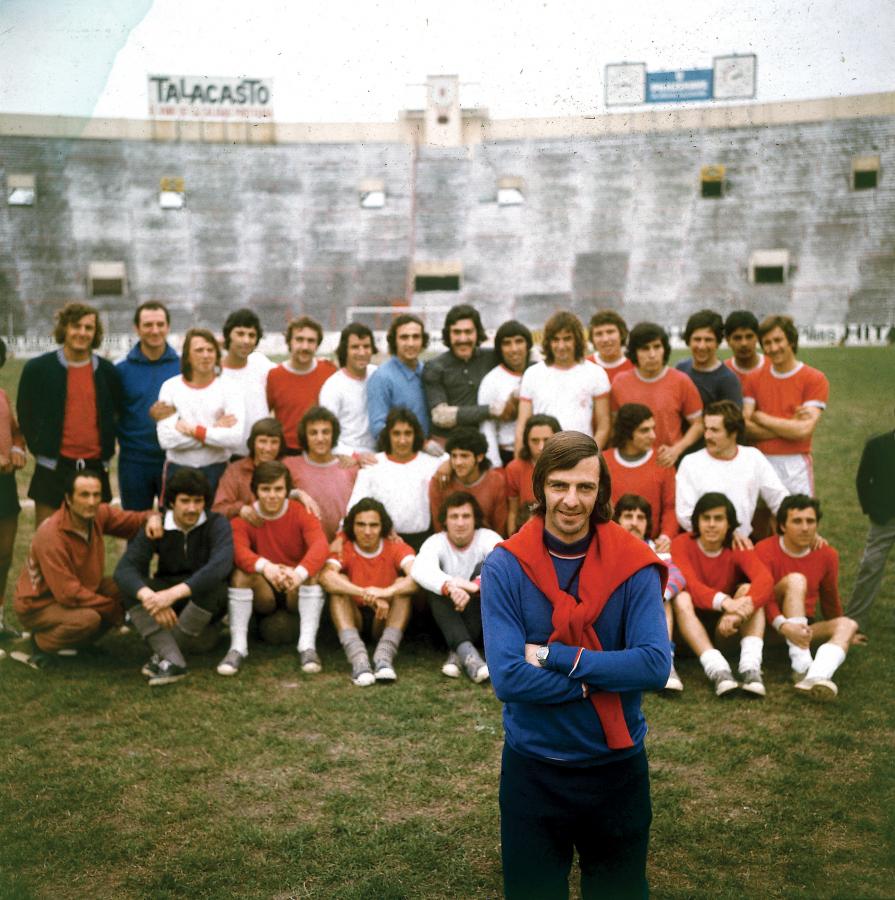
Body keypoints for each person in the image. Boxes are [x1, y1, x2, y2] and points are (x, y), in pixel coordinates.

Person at [481, 431, 670, 899]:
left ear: (600, 491)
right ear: (540, 487)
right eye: (560, 485)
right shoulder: (506, 565)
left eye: (585, 487)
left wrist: (553, 656)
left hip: (616, 770)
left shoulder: (634, 563)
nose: (571, 500)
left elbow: (653, 665)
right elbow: (507, 678)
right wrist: (598, 681)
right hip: (534, 767)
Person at [12, 471, 160, 667]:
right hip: (40, 604)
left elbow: (134, 520)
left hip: (80, 589)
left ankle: (80, 643)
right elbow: (68, 594)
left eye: (96, 495)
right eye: (84, 495)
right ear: (68, 499)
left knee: (125, 587)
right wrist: (112, 609)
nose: (91, 502)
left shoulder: (99, 514)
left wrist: (153, 517)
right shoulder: (51, 535)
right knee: (88, 619)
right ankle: (41, 643)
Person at [114, 467, 233, 686]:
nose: (192, 508)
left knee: (217, 585)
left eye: (198, 501)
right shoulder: (157, 525)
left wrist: (171, 595)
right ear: (171, 502)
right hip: (166, 594)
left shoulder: (217, 523)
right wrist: (150, 597)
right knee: (129, 587)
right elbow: (124, 569)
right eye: (185, 501)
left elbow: (220, 566)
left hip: (200, 598)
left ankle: (165, 654)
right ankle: (174, 660)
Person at [219, 460, 329, 676]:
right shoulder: (247, 516)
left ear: (287, 490)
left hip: (293, 586)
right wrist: (266, 567)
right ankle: (237, 648)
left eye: (278, 489)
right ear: (255, 490)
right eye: (265, 489)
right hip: (264, 589)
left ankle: (307, 647)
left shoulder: (300, 511)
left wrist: (298, 573)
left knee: (313, 574)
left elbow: (320, 545)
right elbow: (238, 551)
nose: (272, 495)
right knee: (241, 575)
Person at [17, 302, 122, 527]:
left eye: (88, 328)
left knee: (88, 543)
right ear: (64, 328)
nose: (82, 333)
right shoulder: (38, 369)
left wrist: (104, 454)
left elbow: (116, 414)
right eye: (76, 326)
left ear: (95, 333)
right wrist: (41, 448)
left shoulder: (107, 372)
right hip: (52, 468)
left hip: (94, 466)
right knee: (47, 541)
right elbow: (26, 414)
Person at [670, 492, 774, 697]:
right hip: (688, 629)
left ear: (729, 524)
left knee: (747, 590)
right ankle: (718, 670)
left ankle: (751, 668)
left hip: (724, 627)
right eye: (706, 518)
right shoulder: (681, 543)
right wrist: (726, 602)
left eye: (718, 519)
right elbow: (688, 583)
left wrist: (738, 612)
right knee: (682, 596)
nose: (711, 524)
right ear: (697, 522)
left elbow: (765, 580)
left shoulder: (737, 545)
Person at [755, 495, 859, 700]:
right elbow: (761, 596)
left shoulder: (827, 554)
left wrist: (842, 631)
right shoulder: (764, 549)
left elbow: (830, 598)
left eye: (810, 521)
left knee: (847, 624)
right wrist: (784, 626)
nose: (805, 528)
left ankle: (816, 675)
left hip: (804, 628)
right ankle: (801, 663)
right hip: (770, 626)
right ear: (782, 526)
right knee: (796, 580)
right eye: (797, 521)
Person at [319, 498, 416, 685]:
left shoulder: (396, 546)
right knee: (340, 584)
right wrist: (365, 593)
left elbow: (417, 577)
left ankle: (384, 659)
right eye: (361, 525)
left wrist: (385, 592)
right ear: (352, 527)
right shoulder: (344, 548)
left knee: (403, 584)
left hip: (384, 615)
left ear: (383, 527)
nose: (367, 531)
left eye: (374, 525)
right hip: (354, 616)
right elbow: (326, 577)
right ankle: (359, 661)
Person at [413, 493, 500, 683]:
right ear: (445, 520)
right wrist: (451, 586)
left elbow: (505, 568)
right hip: (444, 622)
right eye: (454, 517)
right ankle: (470, 658)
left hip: (481, 621)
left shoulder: (488, 537)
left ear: (475, 518)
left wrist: (473, 586)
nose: (460, 523)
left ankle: (459, 653)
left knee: (485, 570)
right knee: (436, 587)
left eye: (466, 516)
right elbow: (419, 568)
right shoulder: (436, 541)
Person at [676, 401, 788, 548]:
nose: (707, 436)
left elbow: (779, 498)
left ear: (733, 433)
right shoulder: (691, 463)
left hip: (742, 545)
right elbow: (685, 514)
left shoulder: (753, 458)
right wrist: (727, 533)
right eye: (706, 429)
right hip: (703, 546)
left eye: (715, 430)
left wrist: (797, 521)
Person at [743, 314, 829, 495]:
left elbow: (803, 431)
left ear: (791, 340)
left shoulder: (814, 379)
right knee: (759, 522)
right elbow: (745, 427)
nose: (773, 348)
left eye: (778, 340)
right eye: (767, 343)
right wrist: (789, 423)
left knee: (798, 519)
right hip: (760, 461)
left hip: (795, 464)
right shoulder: (753, 378)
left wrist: (761, 417)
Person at [156, 328, 243, 497]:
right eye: (199, 350)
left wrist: (195, 431)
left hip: (218, 470)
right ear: (187, 356)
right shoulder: (170, 387)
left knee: (218, 523)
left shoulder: (230, 388)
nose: (205, 355)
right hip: (179, 470)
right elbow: (166, 440)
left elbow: (234, 438)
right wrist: (214, 429)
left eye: (210, 350)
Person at [613, 494, 687, 692]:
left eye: (641, 518)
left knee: (665, 599)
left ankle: (666, 663)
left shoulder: (655, 548)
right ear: (617, 519)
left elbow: (678, 577)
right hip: (613, 607)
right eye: (628, 516)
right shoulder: (608, 545)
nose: (634, 523)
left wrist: (656, 595)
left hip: (645, 611)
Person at [346, 407, 447, 553]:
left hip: (423, 541)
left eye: (408, 433)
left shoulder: (430, 462)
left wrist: (447, 465)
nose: (402, 440)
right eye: (396, 434)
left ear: (416, 435)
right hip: (384, 542)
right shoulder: (373, 465)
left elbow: (455, 460)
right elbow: (354, 508)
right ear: (388, 435)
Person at [115, 301, 180, 510]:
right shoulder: (121, 369)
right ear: (137, 328)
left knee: (173, 526)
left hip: (174, 458)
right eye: (148, 325)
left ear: (168, 327)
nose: (155, 330)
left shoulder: (184, 366)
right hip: (134, 462)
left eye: (160, 324)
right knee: (135, 527)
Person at [515, 310, 611, 452]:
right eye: (555, 339)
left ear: (577, 340)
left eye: (567, 339)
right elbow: (522, 425)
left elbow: (604, 426)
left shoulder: (596, 373)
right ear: (548, 341)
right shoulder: (532, 374)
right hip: (543, 455)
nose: (561, 346)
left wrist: (591, 456)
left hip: (581, 454)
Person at [611, 322, 703, 468]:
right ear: (634, 352)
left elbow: (698, 424)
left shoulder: (681, 380)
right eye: (645, 348)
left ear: (664, 349)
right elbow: (614, 426)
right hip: (631, 462)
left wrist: (677, 449)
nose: (652, 354)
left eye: (657, 347)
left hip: (667, 461)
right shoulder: (620, 382)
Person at [211, 418, 320, 524]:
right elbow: (218, 509)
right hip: (246, 533)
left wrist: (299, 494)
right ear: (253, 442)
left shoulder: (288, 467)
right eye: (262, 441)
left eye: (274, 442)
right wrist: (240, 509)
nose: (268, 448)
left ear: (280, 445)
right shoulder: (236, 471)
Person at [424, 304, 505, 445]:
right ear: (448, 334)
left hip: (486, 444)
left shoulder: (492, 357)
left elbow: (525, 358)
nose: (463, 338)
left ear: (478, 332)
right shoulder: (434, 366)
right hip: (449, 447)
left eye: (468, 332)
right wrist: (491, 410)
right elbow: (441, 416)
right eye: (457, 332)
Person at [604, 403, 677, 553]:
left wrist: (666, 536)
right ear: (627, 433)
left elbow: (671, 507)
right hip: (611, 545)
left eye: (652, 428)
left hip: (652, 547)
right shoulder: (604, 462)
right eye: (644, 430)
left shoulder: (663, 461)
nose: (653, 436)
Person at [846, 411, 895, 634]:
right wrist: (871, 508)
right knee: (871, 564)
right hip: (884, 516)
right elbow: (863, 479)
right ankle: (855, 618)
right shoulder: (877, 445)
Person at [266, 316, 337, 453]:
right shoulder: (274, 376)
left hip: (322, 450)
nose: (305, 346)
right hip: (287, 452)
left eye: (311, 341)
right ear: (289, 342)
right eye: (299, 340)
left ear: (317, 345)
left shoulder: (329, 371)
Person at [289, 406, 358, 541]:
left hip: (343, 546)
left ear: (334, 435)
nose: (320, 438)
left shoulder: (350, 468)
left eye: (325, 432)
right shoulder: (290, 465)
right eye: (313, 433)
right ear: (305, 436)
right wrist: (296, 493)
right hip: (304, 547)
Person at [428, 428, 507, 537]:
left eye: (464, 456)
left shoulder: (496, 481)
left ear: (479, 457)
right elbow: (439, 529)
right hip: (450, 547)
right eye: (454, 456)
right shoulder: (440, 481)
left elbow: (500, 528)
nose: (458, 462)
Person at [219, 308, 275, 456]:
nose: (246, 340)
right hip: (225, 456)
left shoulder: (261, 363)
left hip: (259, 454)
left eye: (251, 335)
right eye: (240, 334)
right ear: (228, 335)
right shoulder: (215, 373)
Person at [478, 320, 534, 467]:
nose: (514, 349)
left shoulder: (539, 373)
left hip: (541, 451)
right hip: (507, 453)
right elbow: (487, 426)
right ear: (500, 348)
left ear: (528, 345)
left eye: (519, 341)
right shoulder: (491, 380)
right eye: (507, 343)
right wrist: (495, 464)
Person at [318, 322, 379, 456]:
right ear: (345, 350)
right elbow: (327, 433)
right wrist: (353, 455)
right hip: (346, 456)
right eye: (355, 347)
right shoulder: (333, 386)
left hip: (379, 454)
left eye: (366, 346)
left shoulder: (378, 375)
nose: (362, 352)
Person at [367, 314, 431, 439]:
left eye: (416, 337)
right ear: (394, 341)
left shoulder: (428, 371)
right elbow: (378, 428)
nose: (411, 343)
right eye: (404, 337)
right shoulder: (382, 377)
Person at [0, 338, 26, 642]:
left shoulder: (3, 396)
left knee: (3, 556)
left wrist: (19, 449)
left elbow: (16, 433)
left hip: (4, 486)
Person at [675, 309, 743, 411]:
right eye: (697, 339)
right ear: (688, 341)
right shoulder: (681, 369)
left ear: (718, 343)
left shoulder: (728, 380)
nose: (702, 346)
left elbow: (732, 423)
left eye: (708, 340)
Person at [505, 414, 560, 536]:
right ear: (526, 441)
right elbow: (513, 512)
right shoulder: (515, 468)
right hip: (528, 532)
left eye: (546, 440)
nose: (541, 447)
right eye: (535, 441)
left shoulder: (568, 466)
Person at [586, 309, 634, 383]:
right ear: (592, 339)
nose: (605, 339)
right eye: (599, 334)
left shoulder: (636, 365)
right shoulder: (584, 366)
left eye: (610, 332)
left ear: (621, 334)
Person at [723, 310, 766, 386]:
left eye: (749, 337)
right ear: (728, 340)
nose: (744, 343)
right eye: (737, 338)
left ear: (757, 337)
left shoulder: (774, 368)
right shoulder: (722, 372)